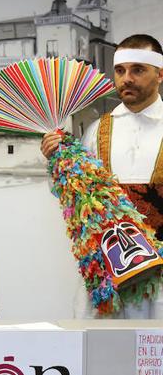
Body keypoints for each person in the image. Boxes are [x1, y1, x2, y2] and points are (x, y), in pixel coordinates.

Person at [41, 34, 163, 318]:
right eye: (120, 71)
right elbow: (72, 194)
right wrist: (57, 160)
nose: (126, 79)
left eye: (137, 70)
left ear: (159, 74)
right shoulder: (97, 130)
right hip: (109, 274)